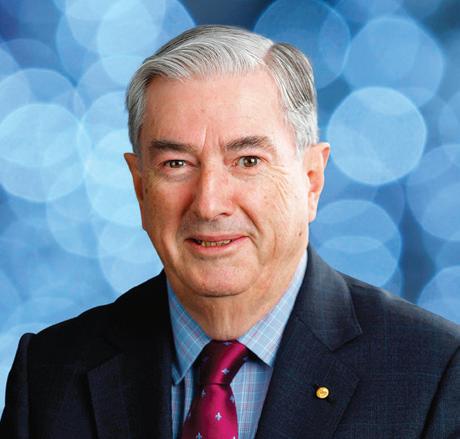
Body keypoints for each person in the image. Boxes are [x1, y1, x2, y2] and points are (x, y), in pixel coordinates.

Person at [1, 25, 459, 439]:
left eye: (248, 161)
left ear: (311, 181)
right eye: (176, 164)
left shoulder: (434, 374)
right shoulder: (49, 374)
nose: (209, 203)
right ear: (140, 187)